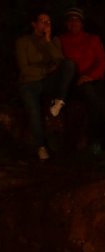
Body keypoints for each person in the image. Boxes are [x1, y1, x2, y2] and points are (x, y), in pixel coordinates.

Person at [58, 7, 105, 152]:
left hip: (93, 79)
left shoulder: (92, 39)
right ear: (66, 24)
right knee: (90, 92)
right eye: (70, 20)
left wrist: (90, 76)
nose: (73, 23)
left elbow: (102, 61)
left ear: (82, 23)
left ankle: (96, 141)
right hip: (74, 83)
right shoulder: (61, 40)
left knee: (94, 94)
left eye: (76, 20)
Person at [15, 9, 76, 161]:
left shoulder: (53, 41)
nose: (46, 24)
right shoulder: (23, 42)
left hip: (47, 82)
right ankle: (40, 146)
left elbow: (60, 61)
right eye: (43, 21)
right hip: (29, 84)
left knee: (69, 64)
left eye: (49, 22)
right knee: (34, 111)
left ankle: (59, 101)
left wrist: (48, 41)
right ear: (34, 24)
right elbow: (25, 69)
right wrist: (46, 70)